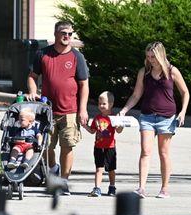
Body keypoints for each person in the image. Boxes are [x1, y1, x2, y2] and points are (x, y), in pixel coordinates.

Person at [118, 41, 190, 199]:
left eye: (154, 56)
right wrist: (124, 110)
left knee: (164, 153)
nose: (151, 59)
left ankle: (164, 188)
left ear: (161, 55)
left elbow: (185, 92)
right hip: (147, 117)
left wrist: (183, 112)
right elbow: (136, 95)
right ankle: (141, 188)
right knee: (145, 152)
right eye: (148, 56)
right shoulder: (144, 72)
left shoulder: (172, 71)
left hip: (167, 118)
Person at [27, 20, 89, 195]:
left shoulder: (77, 57)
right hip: (47, 110)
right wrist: (32, 91)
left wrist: (83, 109)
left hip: (70, 110)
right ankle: (53, 167)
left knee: (67, 146)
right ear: (55, 34)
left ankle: (63, 182)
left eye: (70, 34)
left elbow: (84, 84)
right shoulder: (43, 54)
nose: (67, 36)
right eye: (64, 33)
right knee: (46, 147)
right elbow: (32, 76)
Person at [85, 91, 123, 197]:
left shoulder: (113, 118)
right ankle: (97, 188)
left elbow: (118, 131)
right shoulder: (97, 118)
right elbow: (92, 131)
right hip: (98, 146)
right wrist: (85, 126)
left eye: (104, 104)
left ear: (111, 104)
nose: (101, 106)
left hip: (110, 147)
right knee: (99, 168)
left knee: (111, 168)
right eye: (99, 103)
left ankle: (112, 186)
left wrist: (120, 125)